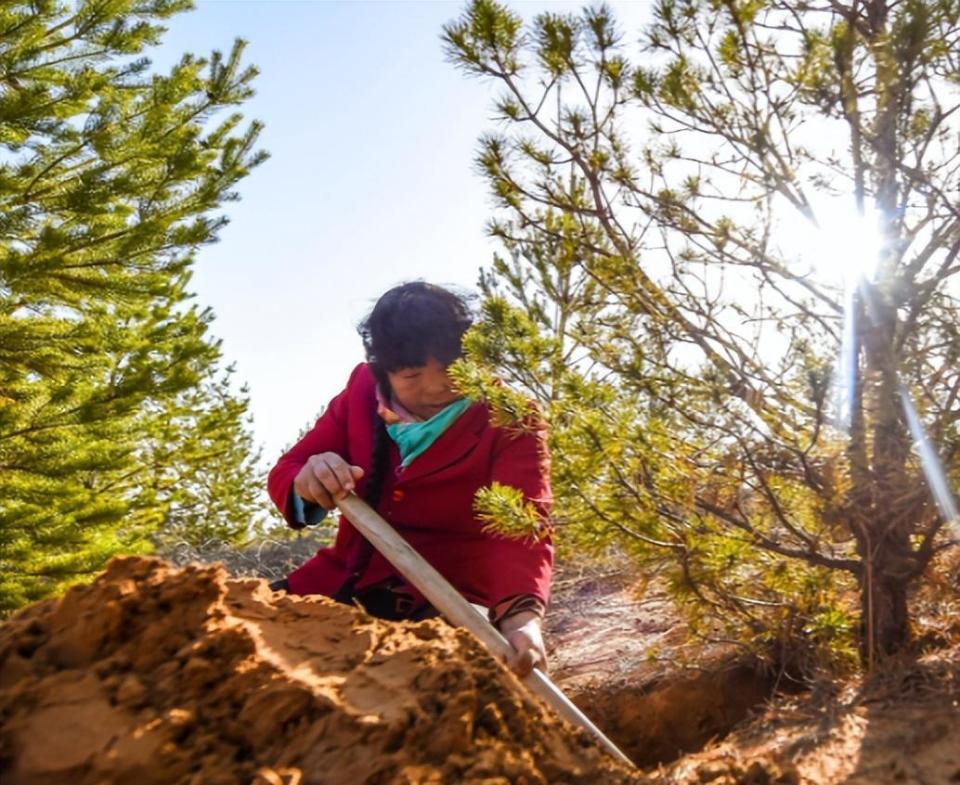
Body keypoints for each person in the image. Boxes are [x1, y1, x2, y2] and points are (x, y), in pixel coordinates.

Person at [267, 282, 553, 676]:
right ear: (383, 370)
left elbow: (521, 524)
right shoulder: (362, 391)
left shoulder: (511, 417)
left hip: (448, 602)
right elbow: (290, 468)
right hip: (339, 585)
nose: (436, 388)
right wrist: (307, 479)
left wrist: (521, 617)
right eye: (413, 375)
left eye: (451, 371)